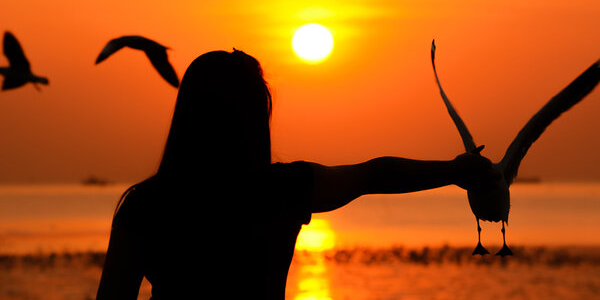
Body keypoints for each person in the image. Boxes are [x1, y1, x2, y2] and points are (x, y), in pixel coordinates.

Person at [96, 49, 499, 300]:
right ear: (255, 120)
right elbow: (373, 175)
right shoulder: (281, 190)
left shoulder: (145, 206)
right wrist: (454, 171)